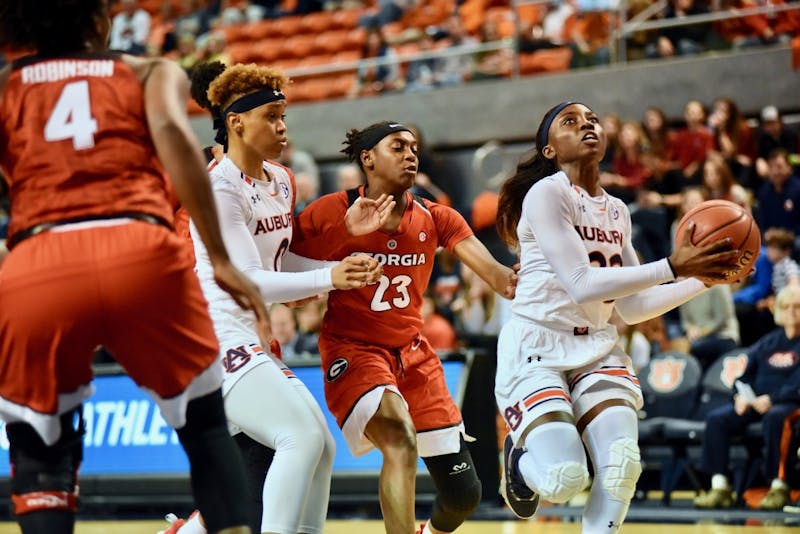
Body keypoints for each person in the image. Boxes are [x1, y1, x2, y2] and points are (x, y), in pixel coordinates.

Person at [0, 1, 273, 533]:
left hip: (39, 259)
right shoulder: (148, 71)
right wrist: (220, 259)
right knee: (206, 429)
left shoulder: (7, 85)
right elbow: (175, 139)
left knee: (42, 450)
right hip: (140, 250)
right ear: (98, 20)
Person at [161, 61, 387, 534]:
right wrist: (332, 279)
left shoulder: (281, 180)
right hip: (210, 335)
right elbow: (246, 278)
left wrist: (336, 269)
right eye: (271, 117)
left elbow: (277, 267)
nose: (283, 127)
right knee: (298, 438)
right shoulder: (218, 186)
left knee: (322, 444)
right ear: (236, 123)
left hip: (249, 334)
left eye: (285, 116)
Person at [494, 101, 741, 529]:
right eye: (570, 122)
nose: (586, 125)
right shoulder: (547, 193)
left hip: (595, 344)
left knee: (622, 465)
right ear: (550, 150)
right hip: (538, 345)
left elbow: (632, 305)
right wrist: (673, 266)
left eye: (592, 119)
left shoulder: (617, 211)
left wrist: (706, 278)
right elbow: (581, 282)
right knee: (564, 477)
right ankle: (519, 462)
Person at [290, 121, 519, 534]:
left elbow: (499, 277)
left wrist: (535, 274)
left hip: (414, 355)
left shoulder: (437, 217)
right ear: (368, 159)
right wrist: (334, 259)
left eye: (414, 147)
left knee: (464, 495)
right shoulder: (330, 209)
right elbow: (286, 272)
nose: (411, 154)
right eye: (398, 146)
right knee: (399, 438)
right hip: (354, 350)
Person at [693, 285, 800, 510]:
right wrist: (739, 396)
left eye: (797, 307)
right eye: (787, 306)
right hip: (757, 402)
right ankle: (719, 487)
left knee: (776, 417)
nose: (791, 311)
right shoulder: (767, 343)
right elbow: (743, 377)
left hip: (789, 403)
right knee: (717, 419)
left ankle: (779, 486)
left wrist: (772, 399)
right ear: (778, 310)